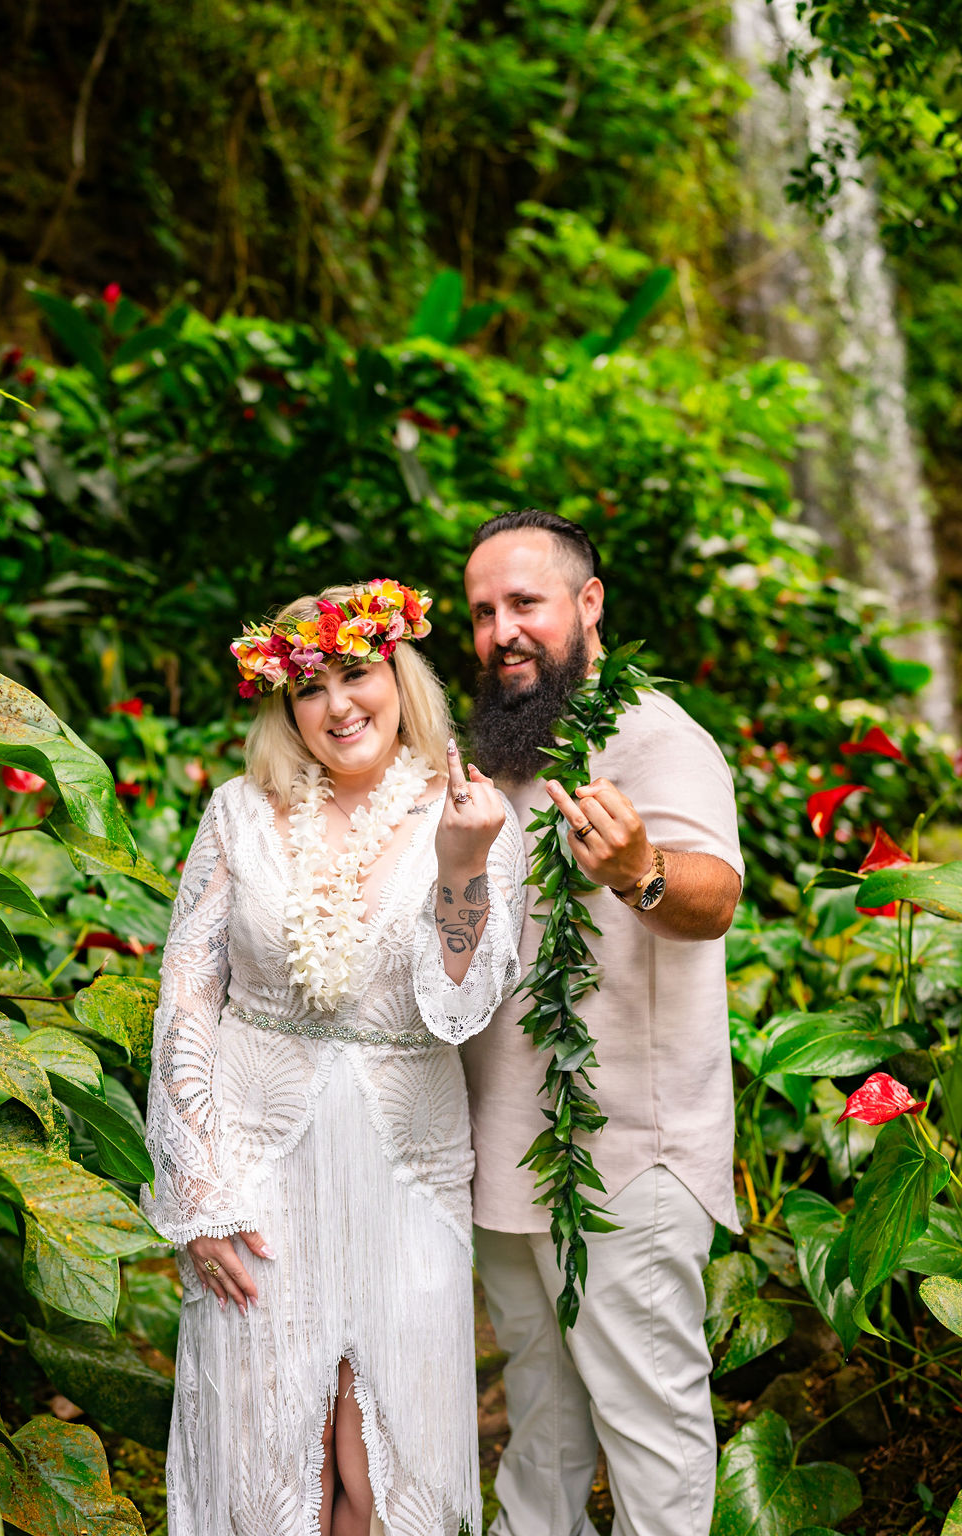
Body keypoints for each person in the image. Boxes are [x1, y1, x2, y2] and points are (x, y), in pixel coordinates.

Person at [141, 578, 525, 1536]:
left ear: (401, 677)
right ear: (284, 704)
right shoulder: (238, 812)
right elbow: (187, 997)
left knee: (384, 1458)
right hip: (259, 1165)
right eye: (309, 688)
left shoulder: (472, 811)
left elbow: (461, 1008)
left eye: (357, 673)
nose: (337, 704)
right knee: (272, 1453)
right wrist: (199, 1195)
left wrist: (461, 867)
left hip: (407, 1168)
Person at [460, 510, 744, 1536]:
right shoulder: (496, 760)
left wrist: (641, 873)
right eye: (483, 612)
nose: (503, 631)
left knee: (648, 1420)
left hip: (625, 1157)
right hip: (503, 1151)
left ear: (588, 606)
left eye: (525, 603)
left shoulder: (654, 735)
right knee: (538, 1411)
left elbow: (713, 898)